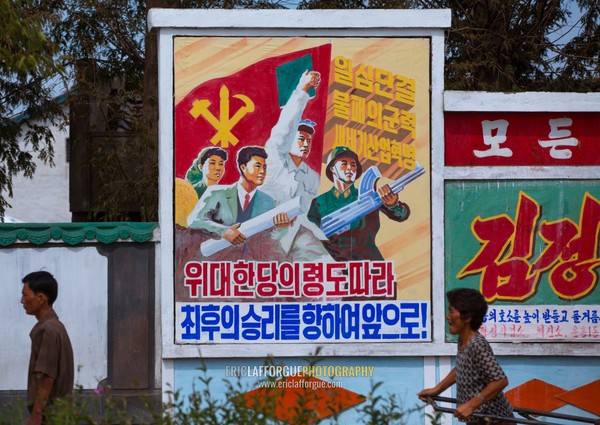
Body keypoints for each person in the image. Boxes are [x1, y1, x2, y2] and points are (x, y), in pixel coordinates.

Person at [261, 70, 332, 261]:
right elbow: (285, 126)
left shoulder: (312, 177)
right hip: (263, 235)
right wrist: (302, 90)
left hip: (296, 237)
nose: (305, 144)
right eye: (300, 139)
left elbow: (307, 213)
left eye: (309, 140)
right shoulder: (274, 159)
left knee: (326, 267)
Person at [417, 288, 515, 425]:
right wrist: (437, 390)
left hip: (494, 420)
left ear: (467, 317)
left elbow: (500, 381)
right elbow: (462, 368)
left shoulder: (477, 344)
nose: (447, 316)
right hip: (477, 419)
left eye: (451, 311)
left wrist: (471, 405)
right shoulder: (463, 340)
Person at [307, 146, 411, 262]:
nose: (350, 168)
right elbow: (308, 236)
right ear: (332, 168)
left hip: (368, 261)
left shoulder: (368, 195)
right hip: (333, 263)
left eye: (353, 164)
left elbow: (401, 215)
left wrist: (393, 204)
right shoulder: (319, 203)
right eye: (344, 163)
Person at [187, 145, 292, 247]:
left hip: (249, 260)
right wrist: (224, 231)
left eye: (264, 167)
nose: (262, 172)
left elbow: (270, 240)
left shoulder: (267, 201)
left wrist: (281, 228)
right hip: (217, 258)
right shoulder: (216, 193)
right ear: (243, 167)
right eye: (257, 166)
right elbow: (193, 221)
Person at [21, 271, 74, 425]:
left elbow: (47, 376)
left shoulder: (49, 330)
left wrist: (37, 414)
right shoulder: (52, 327)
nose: (22, 300)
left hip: (50, 415)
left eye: (25, 295)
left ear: (41, 298)